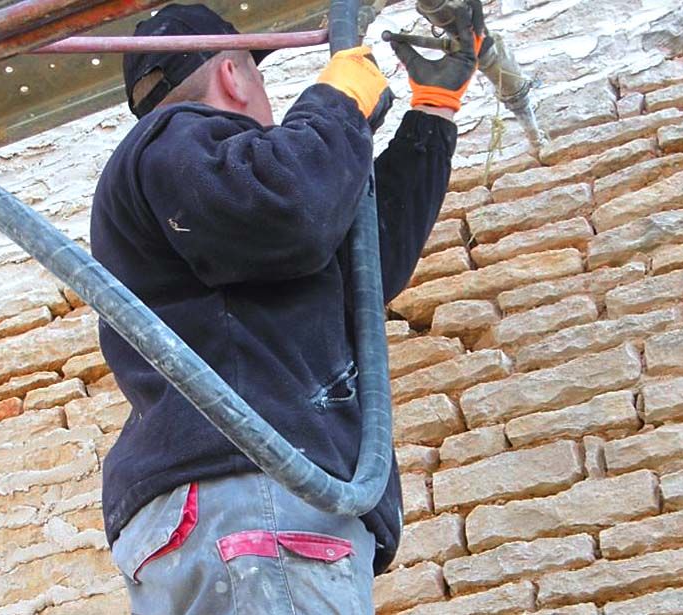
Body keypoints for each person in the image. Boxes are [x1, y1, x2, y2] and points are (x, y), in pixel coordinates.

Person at [90, 3, 486, 613]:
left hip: (221, 509)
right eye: (259, 73)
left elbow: (360, 267)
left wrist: (431, 111)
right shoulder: (175, 141)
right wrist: (336, 103)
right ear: (232, 74)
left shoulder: (207, 199)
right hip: (252, 491)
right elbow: (289, 211)